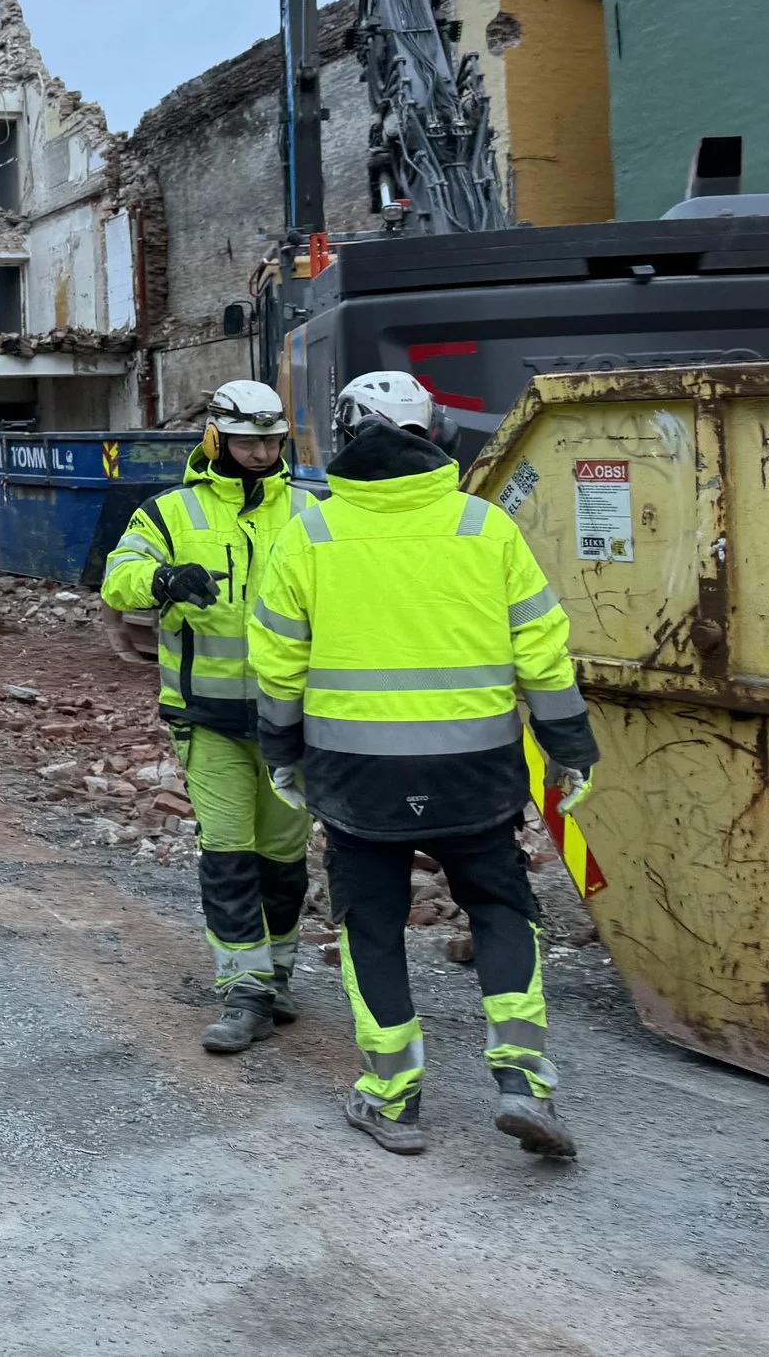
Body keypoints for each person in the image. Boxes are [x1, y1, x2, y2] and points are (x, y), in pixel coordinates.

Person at [249, 369, 598, 1158]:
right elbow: (543, 651)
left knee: (371, 926)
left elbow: (278, 664)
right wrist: (570, 744)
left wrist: (280, 750)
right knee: (502, 909)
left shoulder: (310, 533)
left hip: (355, 776)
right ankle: (524, 1081)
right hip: (475, 771)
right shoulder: (485, 527)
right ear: (431, 434)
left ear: (344, 437)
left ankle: (392, 1097)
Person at [101, 380, 315, 1052]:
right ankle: (244, 989)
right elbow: (119, 574)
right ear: (218, 437)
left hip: (294, 718)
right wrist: (161, 580)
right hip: (207, 714)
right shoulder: (171, 513)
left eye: (271, 440)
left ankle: (277, 972)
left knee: (283, 856)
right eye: (248, 440)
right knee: (228, 852)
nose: (260, 452)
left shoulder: (312, 511)